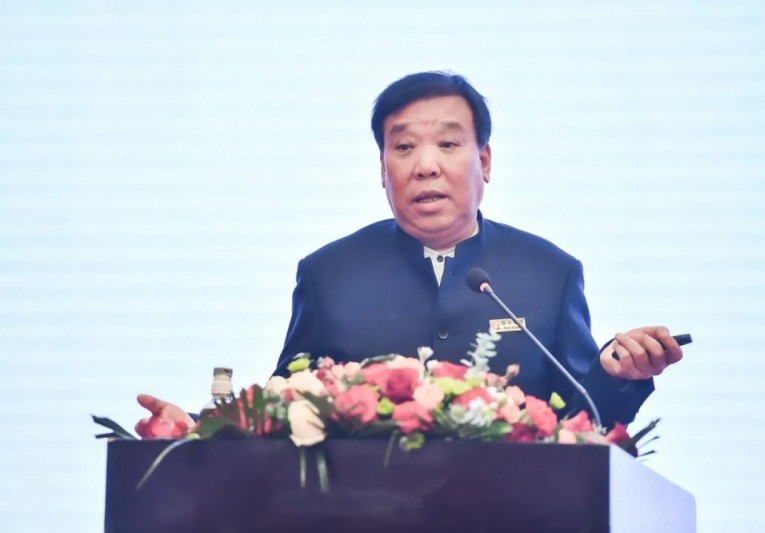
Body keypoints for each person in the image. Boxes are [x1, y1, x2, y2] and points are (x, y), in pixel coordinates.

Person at [136, 71, 683, 433]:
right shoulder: (329, 274)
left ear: (484, 162)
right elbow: (284, 407)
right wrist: (198, 432)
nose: (425, 165)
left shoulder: (549, 272)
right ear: (383, 169)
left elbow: (584, 420)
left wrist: (619, 373)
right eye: (403, 147)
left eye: (448, 144)